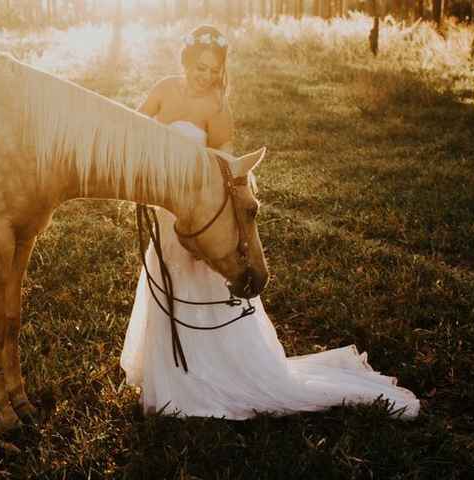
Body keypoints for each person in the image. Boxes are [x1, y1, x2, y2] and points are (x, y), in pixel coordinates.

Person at [120, 25, 420, 420]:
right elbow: (135, 131)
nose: (205, 75)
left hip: (198, 209)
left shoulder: (217, 108)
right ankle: (169, 371)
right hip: (165, 205)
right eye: (200, 67)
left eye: (213, 69)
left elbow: (224, 166)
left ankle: (208, 375)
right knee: (167, 278)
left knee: (199, 282)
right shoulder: (163, 89)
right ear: (186, 62)